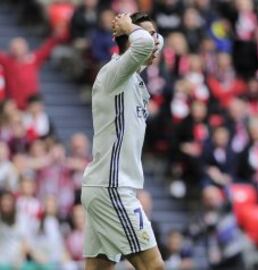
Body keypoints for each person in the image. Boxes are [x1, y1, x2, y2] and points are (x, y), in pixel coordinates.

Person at [81, 12, 165, 270]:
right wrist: (128, 28)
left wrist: (138, 31)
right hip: (113, 188)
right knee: (154, 267)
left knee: (99, 268)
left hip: (104, 187)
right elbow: (141, 45)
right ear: (128, 38)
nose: (155, 43)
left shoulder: (134, 78)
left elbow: (147, 44)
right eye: (150, 36)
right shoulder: (114, 72)